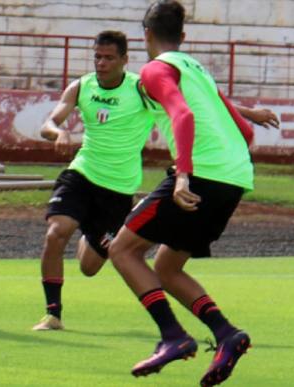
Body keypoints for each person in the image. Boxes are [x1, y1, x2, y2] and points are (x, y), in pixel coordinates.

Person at [107, 1, 260, 385]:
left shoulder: (155, 69)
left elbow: (183, 116)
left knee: (122, 250)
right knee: (167, 267)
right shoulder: (197, 69)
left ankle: (173, 336)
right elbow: (246, 132)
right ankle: (227, 334)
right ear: (183, 37)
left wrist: (183, 176)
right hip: (235, 176)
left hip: (202, 174)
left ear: (145, 35)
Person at [32, 30, 155, 331]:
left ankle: (89, 231)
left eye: (109, 57)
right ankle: (53, 313)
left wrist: (245, 114)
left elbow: (190, 106)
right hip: (82, 174)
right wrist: (58, 132)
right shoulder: (81, 86)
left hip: (118, 189)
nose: (101, 63)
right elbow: (49, 123)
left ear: (124, 60)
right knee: (55, 233)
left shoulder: (141, 89)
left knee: (89, 267)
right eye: (97, 57)